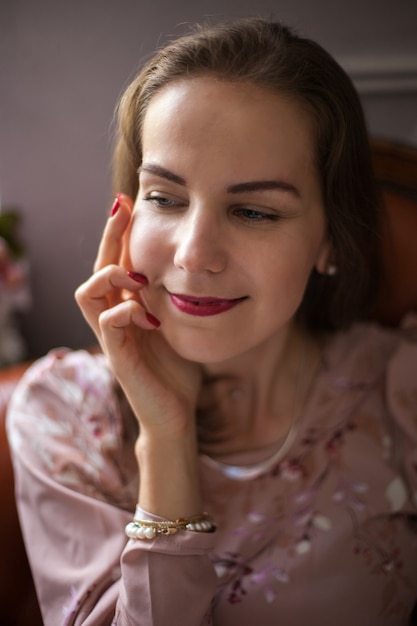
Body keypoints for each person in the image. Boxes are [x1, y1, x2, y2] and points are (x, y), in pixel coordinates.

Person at [6, 17, 417, 626]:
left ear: (329, 239)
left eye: (253, 211)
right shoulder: (61, 415)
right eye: (165, 198)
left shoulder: (398, 391)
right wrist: (166, 436)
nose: (194, 255)